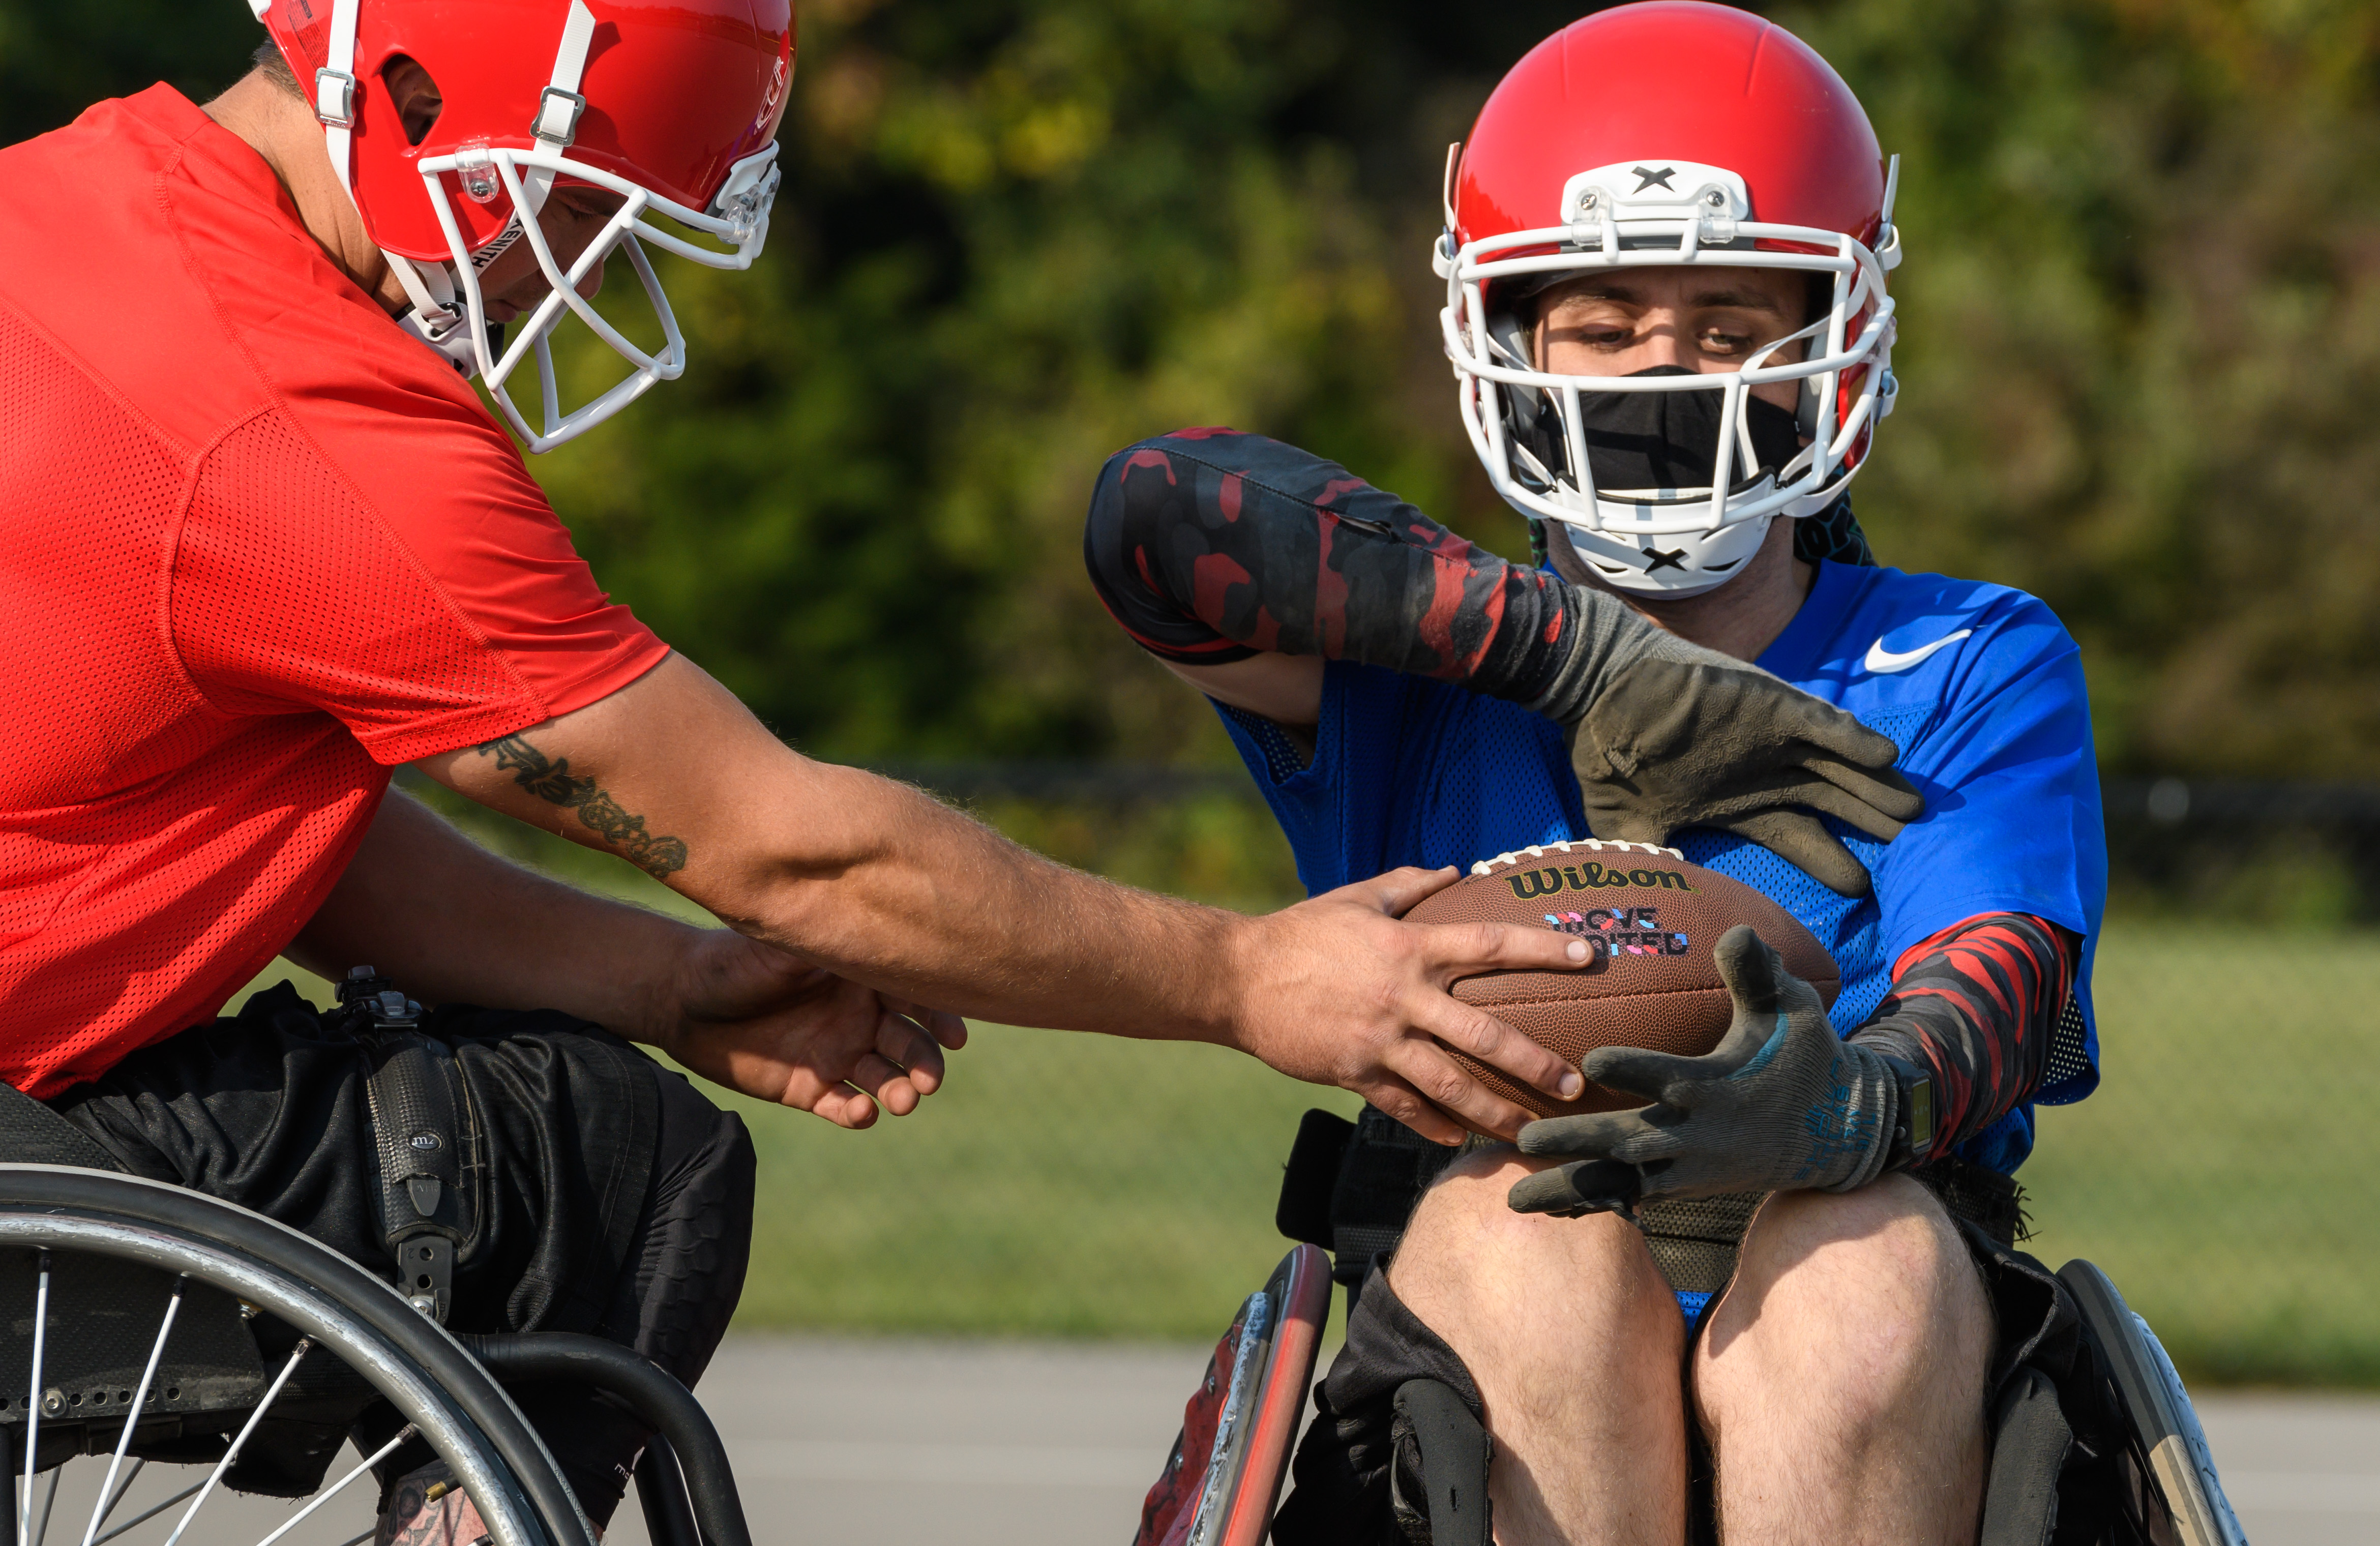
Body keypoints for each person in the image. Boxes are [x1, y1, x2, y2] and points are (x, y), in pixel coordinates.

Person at [0, 0, 1923, 1540]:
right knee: (610, 1168)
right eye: (582, 197)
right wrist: (1255, 978)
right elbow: (798, 857)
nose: (581, 254)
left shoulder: (65, 209)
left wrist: (659, 981)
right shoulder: (303, 423)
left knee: (585, 1080)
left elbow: (257, 831)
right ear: (425, 102)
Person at [1083, 6, 2107, 1543]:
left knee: (1864, 1265)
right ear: (1504, 339)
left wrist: (1855, 1106)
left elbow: (2007, 970)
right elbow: (1154, 513)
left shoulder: (1964, 652)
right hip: (1494, 1295)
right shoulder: (1407, 653)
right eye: (1609, 319)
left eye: (1734, 319)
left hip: (1858, 1288)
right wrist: (1570, 653)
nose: (1671, 370)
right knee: (1524, 1230)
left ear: (1842, 335)